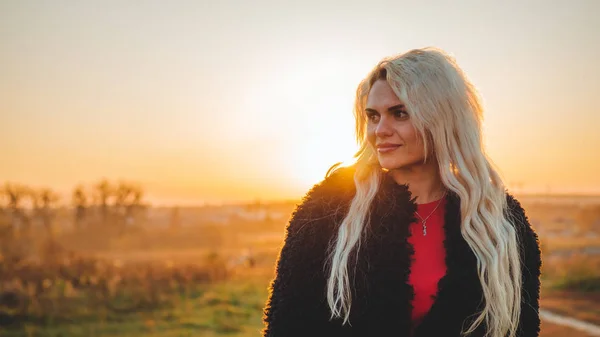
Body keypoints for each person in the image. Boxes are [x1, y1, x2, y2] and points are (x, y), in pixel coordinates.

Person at [262, 47, 541, 337]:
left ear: (441, 119)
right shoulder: (330, 208)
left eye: (400, 114)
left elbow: (521, 328)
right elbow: (287, 323)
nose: (380, 130)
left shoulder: (499, 221)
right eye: (373, 116)